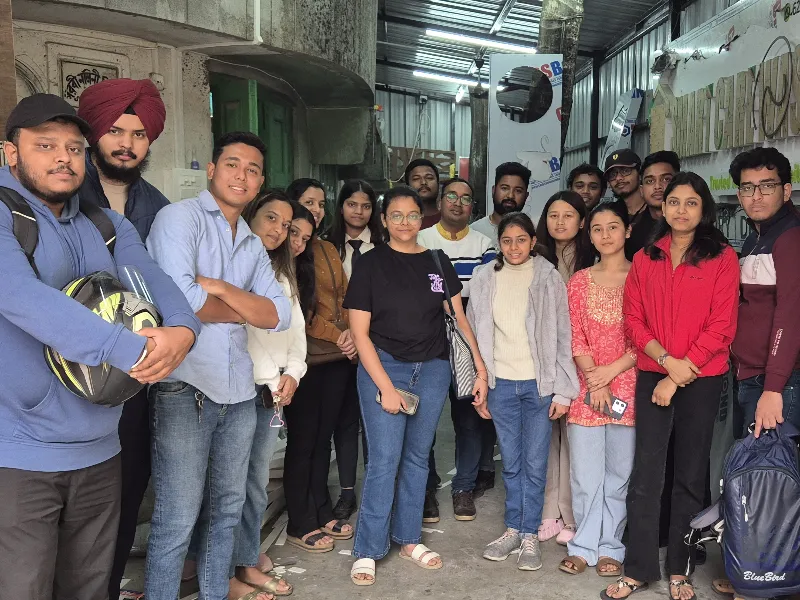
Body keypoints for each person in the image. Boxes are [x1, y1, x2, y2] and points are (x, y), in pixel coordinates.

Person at [0, 93, 200, 600]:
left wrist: (183, 329)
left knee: (89, 588)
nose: (63, 158)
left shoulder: (105, 224)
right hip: (18, 453)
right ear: (11, 152)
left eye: (74, 148)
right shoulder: (3, 214)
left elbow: (149, 277)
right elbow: (21, 296)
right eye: (46, 145)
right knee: (23, 588)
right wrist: (128, 349)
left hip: (99, 449)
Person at [145, 132, 291, 600]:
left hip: (239, 391)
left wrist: (224, 290)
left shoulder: (251, 243)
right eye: (232, 164)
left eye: (252, 170)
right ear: (211, 169)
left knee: (227, 510)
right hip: (185, 387)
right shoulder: (178, 218)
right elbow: (181, 298)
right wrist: (244, 306)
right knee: (178, 516)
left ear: (260, 182)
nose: (241, 175)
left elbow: (278, 315)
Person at [604, 172, 739, 600]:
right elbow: (633, 319)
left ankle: (680, 568)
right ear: (663, 208)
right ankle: (639, 568)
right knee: (647, 474)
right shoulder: (647, 257)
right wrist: (665, 365)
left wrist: (679, 373)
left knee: (690, 474)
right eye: (674, 202)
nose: (681, 210)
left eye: (691, 203)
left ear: (704, 209)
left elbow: (723, 325)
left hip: (702, 377)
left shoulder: (722, 258)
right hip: (654, 372)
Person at [346, 186, 489, 586]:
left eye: (412, 215)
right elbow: (359, 334)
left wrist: (479, 369)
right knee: (383, 460)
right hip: (384, 367)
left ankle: (409, 539)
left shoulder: (437, 261)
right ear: (384, 220)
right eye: (396, 215)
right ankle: (368, 548)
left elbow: (459, 321)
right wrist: (385, 387)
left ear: (421, 219)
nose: (405, 222)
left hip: (432, 370)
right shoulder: (369, 264)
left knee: (416, 458)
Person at [76, 77, 174, 600]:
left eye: (138, 134)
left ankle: (109, 588)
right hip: (68, 369)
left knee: (128, 487)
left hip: (136, 373)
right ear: (94, 134)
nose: (126, 144)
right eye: (115, 130)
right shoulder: (66, 194)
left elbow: (166, 286)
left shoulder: (158, 206)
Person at [468, 212, 579, 571]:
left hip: (538, 386)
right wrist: (479, 382)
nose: (514, 247)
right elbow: (473, 337)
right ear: (498, 244)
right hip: (500, 384)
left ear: (533, 241)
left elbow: (563, 336)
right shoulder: (485, 278)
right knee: (512, 464)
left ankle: (529, 533)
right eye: (506, 241)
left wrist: (563, 391)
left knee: (535, 463)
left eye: (521, 240)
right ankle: (513, 529)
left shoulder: (548, 278)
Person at [222, 190, 305, 597]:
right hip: (238, 388)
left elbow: (296, 328)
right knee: (227, 485)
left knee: (255, 481)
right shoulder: (234, 267)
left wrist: (295, 372)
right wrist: (276, 375)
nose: (278, 230)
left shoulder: (283, 274)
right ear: (251, 216)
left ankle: (246, 560)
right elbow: (248, 331)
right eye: (271, 218)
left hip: (271, 393)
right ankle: (222, 570)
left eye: (286, 225)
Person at [559, 202, 637, 578]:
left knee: (619, 475)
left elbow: (648, 337)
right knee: (585, 475)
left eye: (613, 227)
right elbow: (574, 335)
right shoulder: (579, 281)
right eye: (597, 229)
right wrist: (595, 378)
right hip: (587, 390)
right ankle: (583, 545)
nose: (605, 235)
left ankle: (611, 547)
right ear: (589, 236)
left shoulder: (642, 278)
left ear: (628, 231)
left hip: (629, 387)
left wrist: (609, 374)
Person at [283, 177, 357, 553]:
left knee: (322, 440)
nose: (316, 209)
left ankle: (321, 510)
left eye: (321, 203)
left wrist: (351, 333)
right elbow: (300, 312)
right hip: (305, 360)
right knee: (303, 441)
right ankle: (300, 521)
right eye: (309, 202)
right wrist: (340, 335)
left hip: (337, 359)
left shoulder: (326, 247)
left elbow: (346, 296)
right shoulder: (285, 251)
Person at [418, 177, 497, 521]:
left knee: (468, 418)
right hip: (427, 338)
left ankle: (463, 486)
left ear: (472, 207)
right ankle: (426, 488)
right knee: (425, 419)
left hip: (467, 337)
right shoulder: (422, 240)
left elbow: (487, 296)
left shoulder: (484, 244)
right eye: (451, 195)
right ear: (440, 201)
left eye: (466, 198)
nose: (458, 202)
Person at [325, 179, 383, 520]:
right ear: (341, 206)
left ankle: (378, 490)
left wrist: (364, 336)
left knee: (376, 423)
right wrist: (343, 336)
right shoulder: (327, 246)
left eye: (365, 206)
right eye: (352, 204)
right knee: (345, 423)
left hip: (377, 346)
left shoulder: (385, 246)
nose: (358, 211)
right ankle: (347, 492)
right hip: (339, 349)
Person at [534, 190, 590, 545]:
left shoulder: (592, 258)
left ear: (582, 222)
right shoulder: (535, 258)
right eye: (553, 215)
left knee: (573, 439)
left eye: (568, 215)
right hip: (543, 358)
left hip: (581, 359)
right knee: (544, 437)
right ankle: (548, 512)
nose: (559, 222)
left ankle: (570, 514)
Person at [605, 149, 650, 261]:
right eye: (613, 174)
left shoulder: (656, 211)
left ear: (640, 174)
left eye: (625, 171)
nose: (619, 178)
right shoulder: (609, 213)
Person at [471, 161, 532, 240]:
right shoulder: (474, 232)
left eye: (518, 191)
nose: (510, 195)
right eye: (504, 188)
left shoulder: (532, 233)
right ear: (493, 190)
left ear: (526, 196)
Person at [640, 151, 680, 222]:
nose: (657, 186)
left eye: (666, 179)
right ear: (641, 190)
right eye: (650, 181)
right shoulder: (632, 228)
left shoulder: (695, 223)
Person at [404, 158, 441, 229]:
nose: (423, 182)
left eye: (429, 178)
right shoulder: (399, 222)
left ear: (438, 184)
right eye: (416, 179)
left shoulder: (450, 219)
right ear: (407, 186)